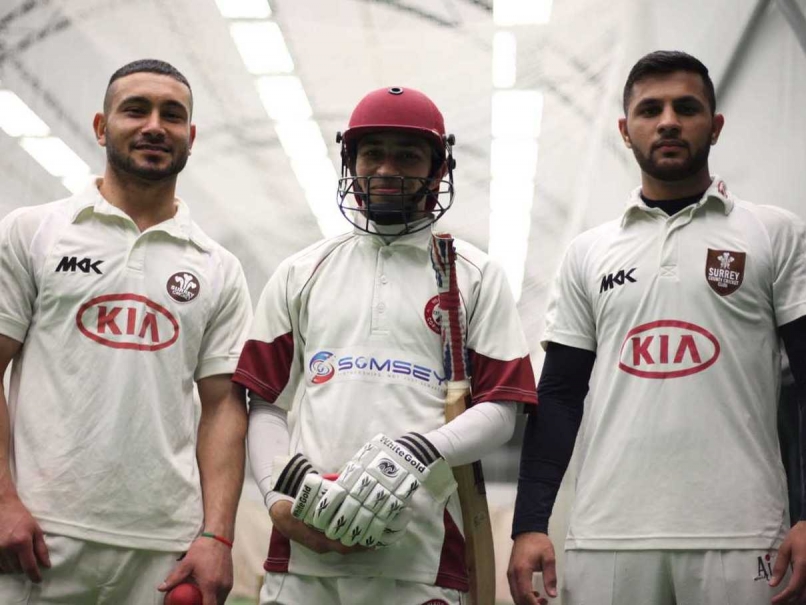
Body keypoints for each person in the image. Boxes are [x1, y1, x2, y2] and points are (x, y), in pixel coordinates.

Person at [508, 49, 806, 605]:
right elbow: (560, 396)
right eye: (650, 110)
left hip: (744, 534)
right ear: (626, 131)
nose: (668, 121)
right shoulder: (588, 252)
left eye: (686, 108)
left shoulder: (774, 233)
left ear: (715, 125)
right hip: (606, 538)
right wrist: (529, 524)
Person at [234, 86, 537, 604]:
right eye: (372, 153)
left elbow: (502, 410)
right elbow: (265, 402)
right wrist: (277, 497)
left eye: (408, 156)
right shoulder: (301, 271)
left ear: (438, 171)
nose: (387, 169)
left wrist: (418, 452)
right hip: (303, 559)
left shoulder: (476, 275)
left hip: (422, 560)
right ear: (351, 164)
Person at [0, 59, 252, 604]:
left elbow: (223, 408)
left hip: (163, 548)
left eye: (172, 115)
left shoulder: (218, 267)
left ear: (191, 137)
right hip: (37, 535)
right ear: (101, 126)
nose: (154, 126)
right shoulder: (32, 232)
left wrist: (216, 536)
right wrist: (2, 501)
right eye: (135, 110)